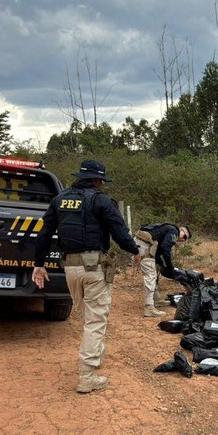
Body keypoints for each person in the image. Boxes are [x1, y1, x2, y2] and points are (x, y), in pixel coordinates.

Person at [32, 158, 140, 394]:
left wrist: (38, 265)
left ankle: (97, 351)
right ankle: (87, 375)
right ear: (98, 180)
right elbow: (119, 231)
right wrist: (135, 250)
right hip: (93, 269)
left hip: (70, 268)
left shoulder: (59, 200)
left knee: (86, 316)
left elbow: (44, 234)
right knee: (95, 320)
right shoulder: (100, 200)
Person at [134, 222, 191, 318]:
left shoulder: (166, 229)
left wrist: (160, 262)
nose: (183, 240)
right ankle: (149, 308)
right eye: (184, 236)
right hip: (144, 247)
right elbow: (165, 249)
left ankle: (155, 300)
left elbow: (159, 247)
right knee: (150, 276)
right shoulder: (174, 231)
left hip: (142, 245)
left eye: (185, 239)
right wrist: (170, 266)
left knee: (154, 272)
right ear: (181, 230)